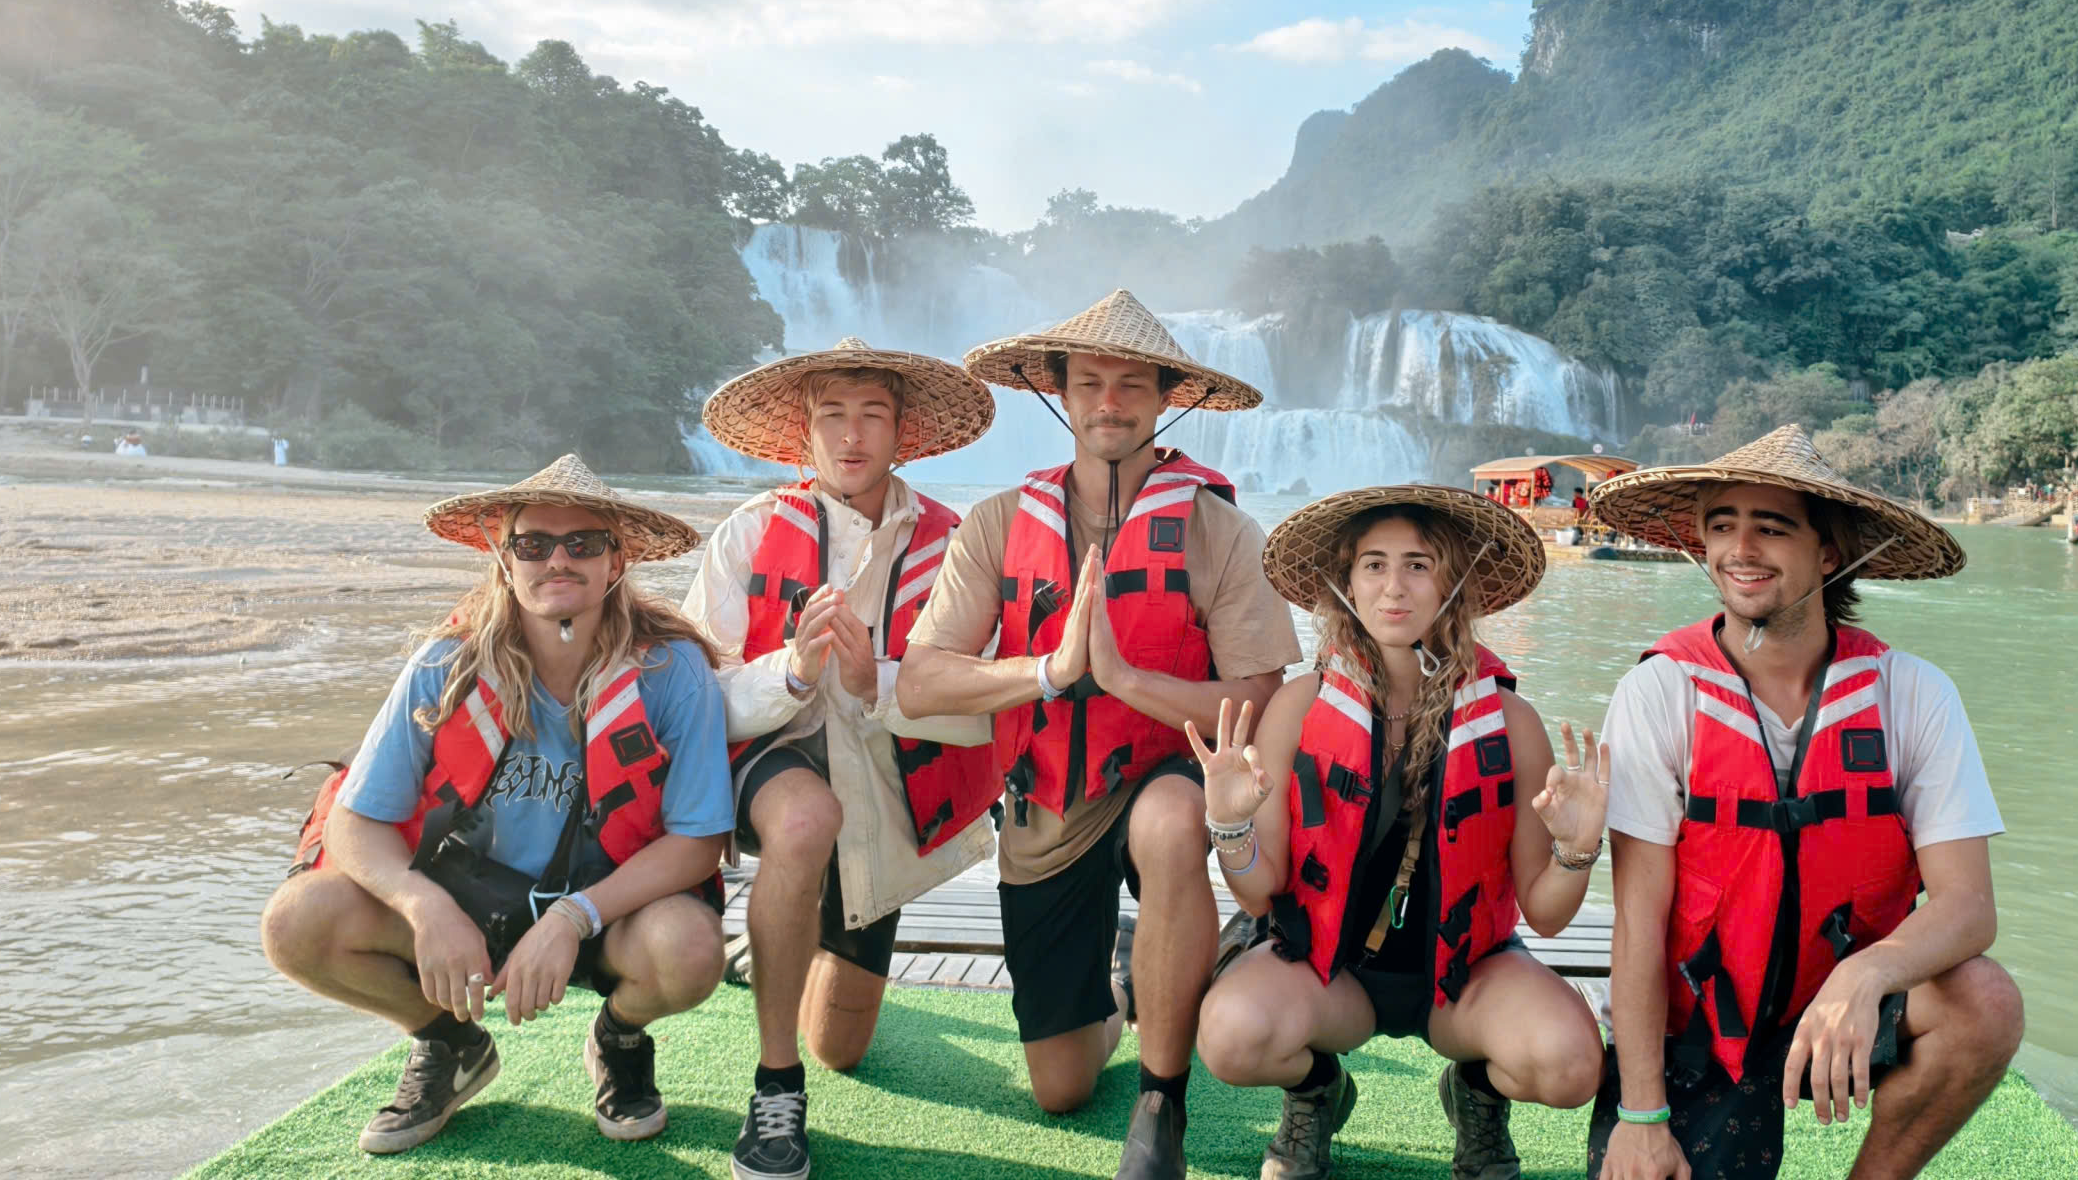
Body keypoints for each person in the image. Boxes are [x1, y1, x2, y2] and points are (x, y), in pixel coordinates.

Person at [898, 290, 1301, 1180]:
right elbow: (923, 681)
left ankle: (1163, 1101)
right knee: (1060, 1085)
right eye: (1090, 383)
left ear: (1164, 400)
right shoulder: (1000, 523)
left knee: (1168, 828)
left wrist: (1127, 681)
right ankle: (1138, 978)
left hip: (1166, 773)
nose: (1109, 402)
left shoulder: (1221, 531)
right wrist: (1048, 671)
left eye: (1131, 385)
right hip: (1047, 797)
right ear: (1061, 394)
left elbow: (1264, 700)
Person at [1581, 426, 2023, 1180]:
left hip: (1844, 1002)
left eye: (1772, 527)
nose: (1740, 549)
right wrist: (1642, 1116)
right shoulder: (1660, 692)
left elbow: (1968, 907)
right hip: (1701, 1027)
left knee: (1984, 1000)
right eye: (1722, 525)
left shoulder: (1911, 694)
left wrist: (1865, 975)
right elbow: (1640, 923)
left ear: (1828, 553)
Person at [262, 456, 734, 1155]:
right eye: (534, 544)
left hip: (606, 910)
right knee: (296, 923)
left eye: (584, 543)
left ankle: (619, 1036)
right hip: (467, 907)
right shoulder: (443, 664)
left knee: (692, 952)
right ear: (505, 560)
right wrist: (424, 907)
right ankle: (450, 1042)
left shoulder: (672, 671)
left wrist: (576, 917)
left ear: (617, 560)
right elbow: (354, 821)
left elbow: (697, 842)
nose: (558, 561)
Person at [1194, 485, 1609, 1180]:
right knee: (1231, 1038)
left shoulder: (1510, 722)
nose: (1394, 587)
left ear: (1453, 584)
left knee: (1570, 1066)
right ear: (1347, 584)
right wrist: (1229, 823)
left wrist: (1579, 846)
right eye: (1374, 565)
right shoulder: (1299, 707)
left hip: (1464, 980)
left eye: (1418, 565)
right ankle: (1316, 1093)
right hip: (1332, 975)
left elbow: (1547, 913)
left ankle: (1475, 1095)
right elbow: (1262, 890)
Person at [684, 337, 1003, 1180]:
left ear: (904, 433)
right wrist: (792, 672)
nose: (852, 437)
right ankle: (773, 1084)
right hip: (775, 761)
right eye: (833, 417)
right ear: (804, 434)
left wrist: (877, 680)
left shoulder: (958, 542)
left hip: (891, 786)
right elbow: (694, 697)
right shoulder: (747, 532)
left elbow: (983, 691)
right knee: (804, 819)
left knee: (846, 1048)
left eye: (873, 416)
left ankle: (780, 950)